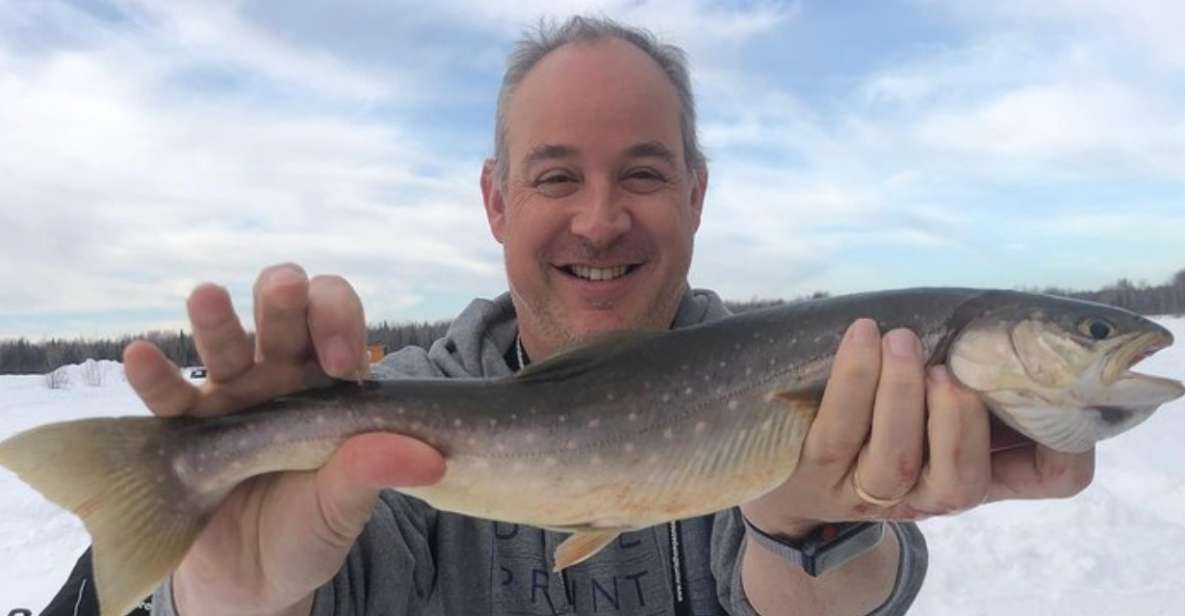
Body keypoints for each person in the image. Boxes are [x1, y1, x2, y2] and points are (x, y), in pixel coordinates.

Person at [45, 15, 1095, 616]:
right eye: (556, 178)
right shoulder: (385, 426)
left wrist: (814, 526)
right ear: (497, 202)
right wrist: (224, 601)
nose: (599, 220)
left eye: (643, 173)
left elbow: (838, 595)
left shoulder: (844, 388)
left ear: (697, 193)